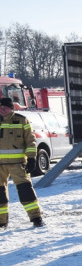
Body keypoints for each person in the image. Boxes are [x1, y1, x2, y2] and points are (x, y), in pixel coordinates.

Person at [0, 97, 44, 229]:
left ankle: (36, 218)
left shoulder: (22, 120)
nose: (2, 110)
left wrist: (31, 158)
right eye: (0, 107)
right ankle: (2, 222)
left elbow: (31, 141)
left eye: (4, 107)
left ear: (11, 108)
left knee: (26, 192)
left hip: (18, 164)